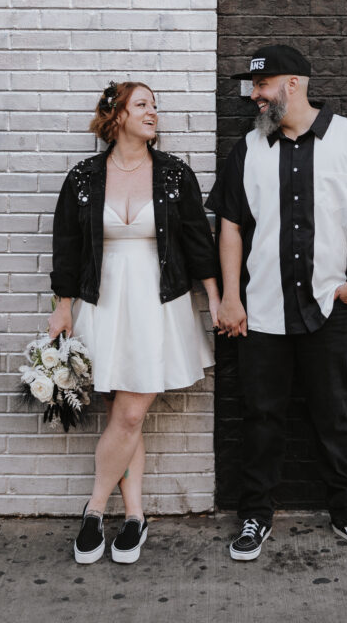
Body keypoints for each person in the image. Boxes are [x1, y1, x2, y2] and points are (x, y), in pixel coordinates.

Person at [207, 45, 347, 561]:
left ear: (292, 84)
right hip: (262, 311)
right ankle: (254, 516)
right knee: (260, 417)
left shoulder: (346, 138)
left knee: (334, 415)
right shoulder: (248, 149)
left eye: (261, 85)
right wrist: (229, 296)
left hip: (330, 310)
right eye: (252, 87)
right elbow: (228, 226)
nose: (254, 95)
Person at [48, 81, 220, 565]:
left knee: (128, 414)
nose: (153, 113)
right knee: (125, 414)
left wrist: (217, 299)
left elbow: (196, 243)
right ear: (117, 115)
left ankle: (93, 510)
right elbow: (67, 247)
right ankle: (136, 516)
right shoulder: (84, 177)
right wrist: (63, 307)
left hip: (156, 304)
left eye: (155, 106)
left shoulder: (173, 175)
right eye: (142, 105)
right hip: (101, 304)